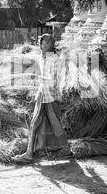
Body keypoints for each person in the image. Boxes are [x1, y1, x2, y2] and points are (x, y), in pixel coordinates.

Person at [12, 34, 72, 163]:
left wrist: (38, 77)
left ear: (52, 45)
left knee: (49, 122)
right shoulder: (41, 58)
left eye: (47, 44)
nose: (43, 46)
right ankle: (63, 150)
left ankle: (30, 154)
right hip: (42, 94)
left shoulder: (55, 60)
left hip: (50, 95)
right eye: (42, 43)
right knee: (42, 122)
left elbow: (55, 79)